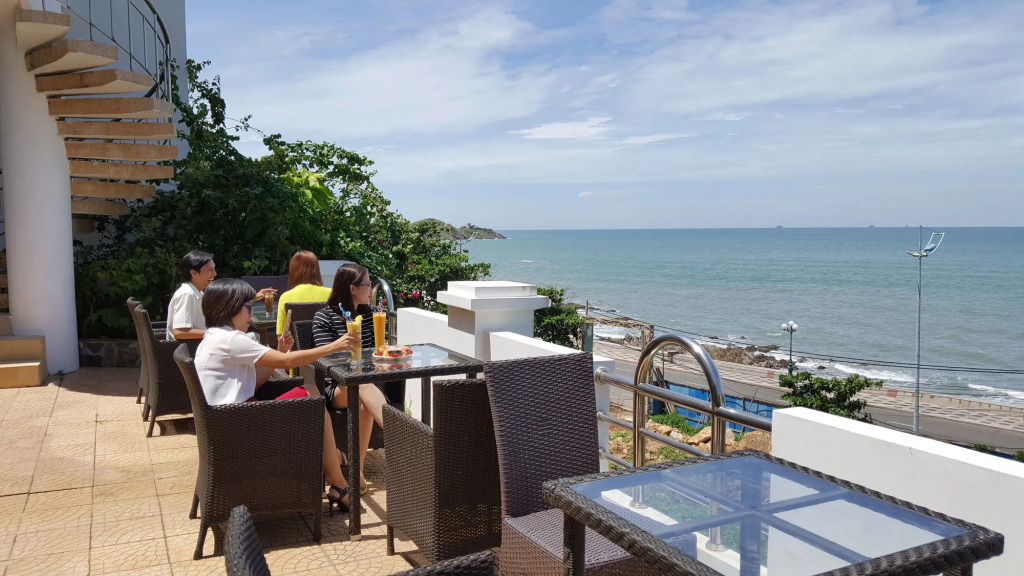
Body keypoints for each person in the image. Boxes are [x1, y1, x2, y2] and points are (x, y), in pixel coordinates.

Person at [194, 278, 359, 512]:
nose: (251, 315)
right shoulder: (231, 340)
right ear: (230, 308)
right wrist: (334, 346)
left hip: (226, 423)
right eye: (247, 308)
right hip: (242, 428)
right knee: (314, 404)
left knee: (311, 394)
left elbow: (252, 384)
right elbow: (287, 362)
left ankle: (333, 462)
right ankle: (339, 483)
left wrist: (280, 350)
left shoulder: (213, 337)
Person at [312, 263, 394, 492]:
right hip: (335, 387)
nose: (371, 290)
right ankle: (401, 437)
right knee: (362, 386)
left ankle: (356, 471)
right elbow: (325, 360)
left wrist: (383, 353)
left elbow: (373, 354)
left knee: (364, 399)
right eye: (367, 285)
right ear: (352, 288)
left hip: (364, 385)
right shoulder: (324, 317)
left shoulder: (368, 316)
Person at [168, 250, 275, 341]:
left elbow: (225, 308)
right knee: (253, 338)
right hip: (194, 350)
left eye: (214, 269)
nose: (215, 274)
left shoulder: (197, 293)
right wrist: (218, 333)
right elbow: (180, 332)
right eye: (210, 270)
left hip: (203, 343)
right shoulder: (187, 294)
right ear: (194, 273)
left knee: (250, 336)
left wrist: (254, 297)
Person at [276, 250, 332, 335]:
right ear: (317, 270)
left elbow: (280, 336)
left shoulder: (285, 297)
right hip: (327, 343)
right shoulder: (332, 294)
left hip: (296, 343)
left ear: (293, 272)